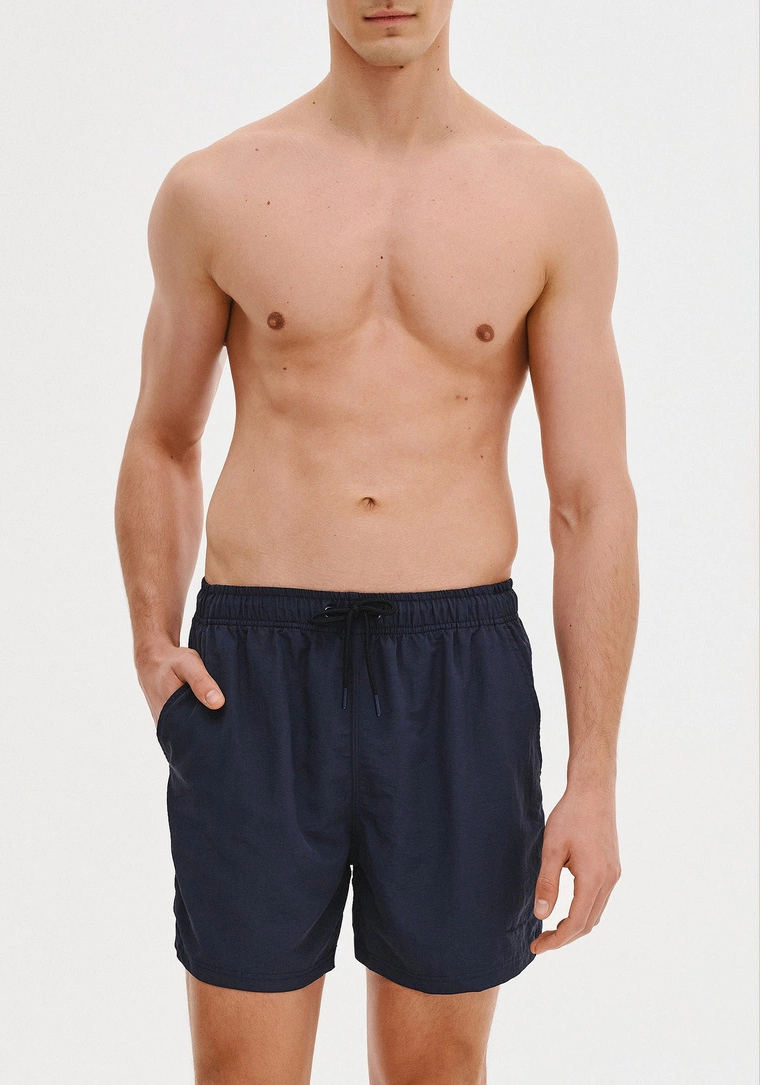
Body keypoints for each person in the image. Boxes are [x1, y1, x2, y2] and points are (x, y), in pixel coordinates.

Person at [115, 1, 639, 1081]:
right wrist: (150, 641)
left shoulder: (550, 200)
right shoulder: (214, 190)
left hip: (457, 671)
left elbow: (589, 498)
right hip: (253, 673)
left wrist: (593, 775)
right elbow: (163, 437)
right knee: (241, 1072)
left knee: (437, 1070)